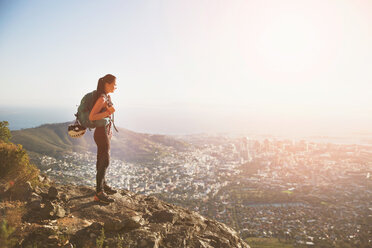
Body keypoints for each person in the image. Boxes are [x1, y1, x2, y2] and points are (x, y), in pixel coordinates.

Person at [89, 74, 118, 203]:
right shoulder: (102, 98)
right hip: (100, 134)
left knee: (101, 159)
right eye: (114, 84)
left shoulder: (106, 97)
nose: (115, 87)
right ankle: (99, 193)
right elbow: (92, 116)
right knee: (104, 161)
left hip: (103, 133)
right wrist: (108, 112)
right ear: (107, 83)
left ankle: (103, 186)